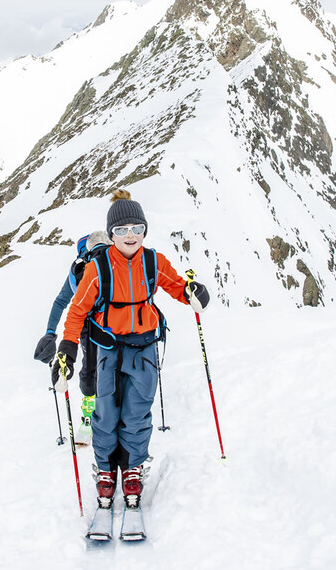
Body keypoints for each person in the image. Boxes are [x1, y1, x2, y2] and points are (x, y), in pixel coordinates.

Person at [54, 189, 210, 513]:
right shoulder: (98, 268)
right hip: (108, 349)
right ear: (111, 234)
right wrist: (67, 349)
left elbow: (175, 284)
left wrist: (192, 292)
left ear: (144, 231)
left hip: (143, 349)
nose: (130, 236)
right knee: (106, 413)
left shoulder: (153, 261)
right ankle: (107, 469)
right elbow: (77, 311)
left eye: (137, 229)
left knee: (137, 412)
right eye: (122, 230)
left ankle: (133, 467)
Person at [34, 231, 111, 444]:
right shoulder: (116, 260)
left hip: (89, 327)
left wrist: (50, 332)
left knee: (90, 373)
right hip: (119, 324)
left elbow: (60, 302)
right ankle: (118, 417)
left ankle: (88, 421)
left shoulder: (78, 271)